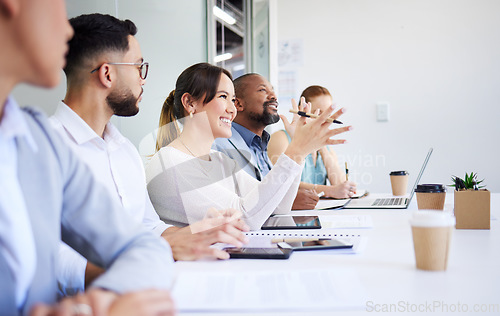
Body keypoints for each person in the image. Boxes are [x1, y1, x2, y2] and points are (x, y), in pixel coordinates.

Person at [49, 14, 249, 296]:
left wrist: (198, 231)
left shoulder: (124, 150)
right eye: (138, 66)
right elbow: (42, 255)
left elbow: (147, 226)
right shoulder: (44, 149)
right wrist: (139, 264)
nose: (143, 79)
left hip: (142, 291)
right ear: (108, 73)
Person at [0, 0, 174, 315]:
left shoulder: (35, 141)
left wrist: (101, 300)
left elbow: (143, 243)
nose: (66, 29)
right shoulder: (53, 140)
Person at [145, 63, 351, 230]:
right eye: (223, 97)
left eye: (233, 100)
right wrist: (295, 150)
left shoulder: (219, 160)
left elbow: (279, 207)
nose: (232, 109)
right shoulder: (169, 163)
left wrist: (300, 152)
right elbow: (244, 219)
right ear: (190, 103)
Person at [212, 74, 354, 206]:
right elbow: (241, 202)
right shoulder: (218, 144)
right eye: (263, 90)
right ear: (238, 104)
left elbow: (273, 189)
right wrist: (288, 202)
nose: (274, 96)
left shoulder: (259, 144)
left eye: (273, 90)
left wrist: (315, 141)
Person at [267, 85, 357, 198]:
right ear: (303, 111)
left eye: (328, 115)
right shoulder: (280, 138)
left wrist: (321, 144)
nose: (324, 120)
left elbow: (339, 185)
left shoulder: (327, 147)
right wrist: (327, 190)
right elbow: (280, 184)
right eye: (318, 114)